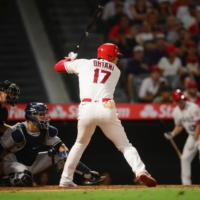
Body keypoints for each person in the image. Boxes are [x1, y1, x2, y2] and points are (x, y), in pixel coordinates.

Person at [54, 43, 157, 188]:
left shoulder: (84, 63)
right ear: (109, 55)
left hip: (86, 108)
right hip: (106, 107)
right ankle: (140, 171)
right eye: (115, 55)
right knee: (125, 145)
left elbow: (57, 67)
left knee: (79, 144)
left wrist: (70, 61)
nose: (117, 59)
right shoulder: (116, 71)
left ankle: (65, 180)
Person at [0, 102, 106, 186]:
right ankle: (4, 181)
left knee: (62, 155)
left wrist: (63, 155)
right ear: (31, 115)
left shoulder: (44, 130)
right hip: (12, 163)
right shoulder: (17, 132)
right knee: (25, 178)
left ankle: (90, 175)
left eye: (44, 114)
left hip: (31, 163)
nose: (43, 117)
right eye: (40, 114)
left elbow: (61, 146)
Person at [164, 89, 200, 185]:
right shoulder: (176, 112)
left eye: (182, 98)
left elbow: (199, 124)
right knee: (184, 159)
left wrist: (194, 140)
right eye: (178, 100)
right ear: (175, 101)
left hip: (197, 135)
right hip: (192, 136)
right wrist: (172, 134)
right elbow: (180, 125)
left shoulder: (193, 108)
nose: (181, 101)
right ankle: (186, 184)